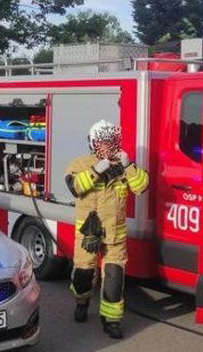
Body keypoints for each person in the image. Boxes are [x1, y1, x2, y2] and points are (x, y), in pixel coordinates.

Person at [64, 120, 149, 339]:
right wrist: (95, 170)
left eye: (110, 142)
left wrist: (129, 166)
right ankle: (81, 302)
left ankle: (111, 320)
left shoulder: (124, 167)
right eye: (101, 142)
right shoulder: (79, 164)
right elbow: (75, 187)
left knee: (114, 279)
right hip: (88, 236)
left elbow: (141, 187)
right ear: (92, 143)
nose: (106, 147)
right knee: (83, 276)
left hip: (115, 237)